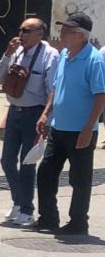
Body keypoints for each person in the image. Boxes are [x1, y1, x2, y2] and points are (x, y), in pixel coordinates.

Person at [33, 12, 105, 236]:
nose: (61, 34)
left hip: (80, 131)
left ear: (80, 35)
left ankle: (78, 222)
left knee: (79, 179)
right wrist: (46, 113)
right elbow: (56, 87)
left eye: (67, 31)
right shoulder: (65, 54)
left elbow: (101, 96)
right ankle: (48, 218)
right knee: (45, 173)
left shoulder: (94, 60)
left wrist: (88, 128)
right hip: (59, 127)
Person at [0, 17, 58, 226]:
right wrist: (7, 55)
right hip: (14, 111)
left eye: (27, 31)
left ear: (40, 34)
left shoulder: (50, 55)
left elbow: (52, 90)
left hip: (34, 112)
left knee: (27, 162)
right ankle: (19, 201)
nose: (22, 34)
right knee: (6, 160)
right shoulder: (16, 52)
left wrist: (46, 117)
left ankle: (26, 210)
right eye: (21, 30)